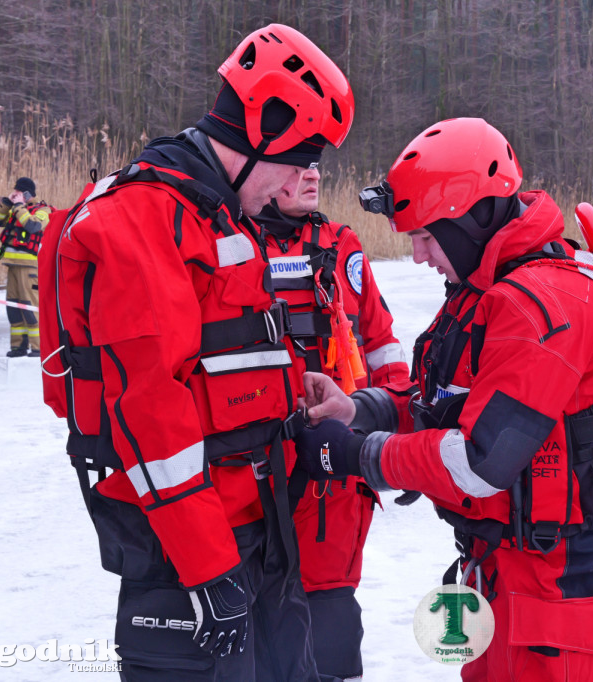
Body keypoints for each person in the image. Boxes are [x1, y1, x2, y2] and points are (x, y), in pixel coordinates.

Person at [290, 117, 593, 681]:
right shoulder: (489, 291)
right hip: (504, 567)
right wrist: (360, 409)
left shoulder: (540, 303)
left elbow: (480, 463)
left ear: (468, 220)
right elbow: (441, 403)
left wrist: (355, 455)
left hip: (559, 579)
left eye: (425, 237)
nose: (419, 256)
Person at [38, 24, 355, 681]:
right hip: (187, 556)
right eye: (297, 160)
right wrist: (209, 572)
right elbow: (150, 417)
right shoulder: (145, 221)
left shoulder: (219, 213)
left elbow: (228, 361)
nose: (299, 181)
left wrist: (297, 390)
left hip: (261, 539)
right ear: (261, 128)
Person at [252, 179, 412, 679]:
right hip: (255, 470)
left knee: (331, 615)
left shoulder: (340, 246)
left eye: (315, 163)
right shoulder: (226, 245)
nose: (312, 175)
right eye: (295, 164)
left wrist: (398, 434)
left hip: (333, 476)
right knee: (257, 617)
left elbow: (381, 345)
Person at [0, 176, 52, 357]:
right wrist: (7, 203)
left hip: (30, 268)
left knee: (30, 307)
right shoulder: (16, 209)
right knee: (13, 308)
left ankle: (38, 348)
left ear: (28, 194)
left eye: (19, 192)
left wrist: (19, 207)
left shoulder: (43, 210)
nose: (16, 194)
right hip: (12, 266)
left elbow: (34, 226)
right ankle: (18, 347)